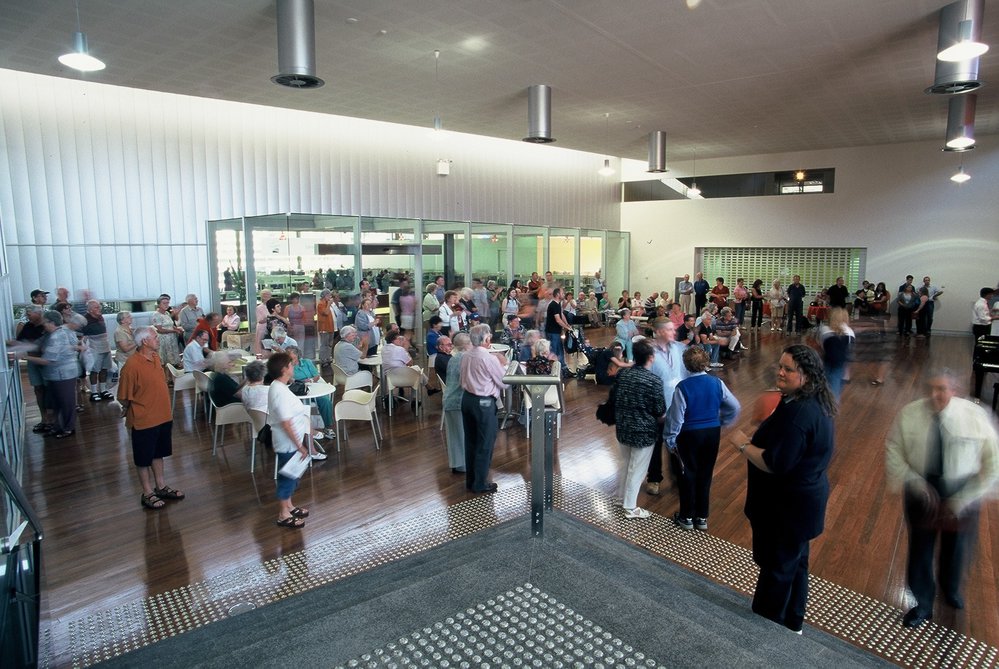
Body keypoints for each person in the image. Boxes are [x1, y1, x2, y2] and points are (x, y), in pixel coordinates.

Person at [732, 344, 836, 633]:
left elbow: (774, 463)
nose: (780, 372)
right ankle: (793, 622)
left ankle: (766, 631)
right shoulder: (809, 402)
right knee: (796, 565)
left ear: (807, 376)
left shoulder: (800, 413)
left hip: (787, 510)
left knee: (777, 572)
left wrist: (741, 443)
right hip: (800, 505)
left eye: (788, 369)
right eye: (780, 366)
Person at [885, 368, 999, 629]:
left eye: (942, 389)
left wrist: (963, 499)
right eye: (931, 389)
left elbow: (993, 462)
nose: (935, 395)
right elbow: (893, 447)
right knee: (921, 548)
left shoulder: (975, 416)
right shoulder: (910, 414)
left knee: (956, 547)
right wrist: (912, 480)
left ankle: (951, 589)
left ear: (954, 391)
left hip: (962, 490)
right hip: (922, 489)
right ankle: (923, 602)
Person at [664, 346, 740, 531]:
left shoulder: (683, 387)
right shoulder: (717, 383)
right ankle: (702, 517)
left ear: (685, 365)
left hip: (689, 434)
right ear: (706, 363)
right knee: (705, 473)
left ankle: (686, 516)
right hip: (712, 432)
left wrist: (670, 439)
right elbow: (734, 407)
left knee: (687, 474)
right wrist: (722, 421)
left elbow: (676, 417)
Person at [117, 327, 186, 510]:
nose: (158, 339)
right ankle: (147, 492)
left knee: (158, 453)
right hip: (144, 419)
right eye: (155, 337)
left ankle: (161, 486)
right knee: (143, 457)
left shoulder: (155, 357)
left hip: (163, 416)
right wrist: (128, 407)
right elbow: (123, 396)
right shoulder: (131, 366)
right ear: (145, 342)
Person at [612, 339, 667, 520]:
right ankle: (630, 507)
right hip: (643, 431)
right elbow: (659, 410)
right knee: (638, 469)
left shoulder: (623, 375)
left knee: (627, 464)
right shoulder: (654, 381)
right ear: (650, 358)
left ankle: (621, 498)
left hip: (623, 427)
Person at [459, 324, 509, 494]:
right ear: (486, 339)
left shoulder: (466, 355)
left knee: (471, 441)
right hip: (483, 403)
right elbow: (504, 382)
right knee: (485, 443)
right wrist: (503, 364)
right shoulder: (489, 358)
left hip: (467, 399)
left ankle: (471, 480)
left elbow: (462, 379)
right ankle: (480, 483)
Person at [266, 352, 311, 528]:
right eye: (291, 365)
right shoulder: (279, 391)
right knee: (287, 477)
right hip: (288, 443)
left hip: (291, 441)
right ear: (285, 369)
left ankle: (289, 506)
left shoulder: (280, 387)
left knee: (292, 475)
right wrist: (299, 446)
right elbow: (286, 422)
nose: (293, 367)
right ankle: (283, 514)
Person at [644, 318, 688, 497]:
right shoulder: (649, 352)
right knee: (656, 444)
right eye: (670, 329)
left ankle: (679, 475)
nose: (674, 332)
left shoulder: (679, 348)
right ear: (660, 331)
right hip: (657, 407)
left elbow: (686, 372)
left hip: (678, 405)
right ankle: (654, 478)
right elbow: (646, 380)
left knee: (677, 443)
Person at [25, 311, 81, 439]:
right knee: (56, 403)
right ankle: (58, 426)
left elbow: (48, 360)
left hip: (63, 374)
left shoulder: (57, 336)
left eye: (45, 322)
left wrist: (25, 357)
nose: (43, 325)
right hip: (56, 375)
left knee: (66, 403)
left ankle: (68, 428)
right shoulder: (55, 333)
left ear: (52, 322)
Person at [288, 345, 335, 444]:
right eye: (288, 357)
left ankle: (327, 427)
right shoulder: (287, 366)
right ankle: (304, 430)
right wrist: (300, 382)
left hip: (313, 388)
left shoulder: (307, 362)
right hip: (297, 392)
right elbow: (290, 380)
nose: (290, 360)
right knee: (300, 406)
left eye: (292, 358)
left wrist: (311, 380)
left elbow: (317, 376)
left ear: (298, 356)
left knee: (325, 401)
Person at [442, 333, 470, 474]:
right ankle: (463, 464)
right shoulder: (464, 358)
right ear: (466, 345)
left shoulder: (453, 359)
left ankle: (456, 463)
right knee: (461, 434)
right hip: (458, 400)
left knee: (454, 435)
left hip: (449, 399)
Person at [817, 307, 854, 401]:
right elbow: (849, 347)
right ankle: (832, 405)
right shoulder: (849, 332)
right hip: (840, 361)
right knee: (836, 382)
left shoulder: (824, 330)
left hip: (826, 359)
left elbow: (821, 344)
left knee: (824, 380)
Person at [81, 299, 114, 401]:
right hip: (94, 347)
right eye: (96, 307)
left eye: (99, 306)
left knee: (104, 369)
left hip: (105, 346)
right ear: (90, 310)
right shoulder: (85, 319)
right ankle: (94, 392)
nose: (99, 308)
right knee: (95, 370)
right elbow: (83, 336)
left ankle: (103, 390)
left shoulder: (100, 317)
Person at [544, 287, 572, 375]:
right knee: (555, 351)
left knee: (560, 350)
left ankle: (563, 369)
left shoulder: (558, 304)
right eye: (562, 293)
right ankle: (555, 371)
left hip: (556, 331)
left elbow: (561, 314)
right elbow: (558, 319)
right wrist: (567, 328)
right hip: (552, 332)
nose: (564, 294)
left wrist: (567, 324)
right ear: (557, 294)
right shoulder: (553, 305)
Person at [151, 295, 183, 367]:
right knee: (165, 360)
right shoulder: (156, 315)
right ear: (159, 304)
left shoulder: (167, 313)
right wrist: (174, 331)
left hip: (171, 339)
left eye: (167, 303)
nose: (166, 305)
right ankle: (165, 376)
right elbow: (160, 330)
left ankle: (171, 375)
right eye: (164, 303)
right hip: (163, 340)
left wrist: (176, 329)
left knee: (172, 360)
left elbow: (170, 325)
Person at [316, 289, 337, 367]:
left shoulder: (330, 303)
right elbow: (326, 312)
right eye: (328, 295)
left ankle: (328, 358)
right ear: (324, 296)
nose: (330, 297)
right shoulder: (321, 304)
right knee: (324, 344)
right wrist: (329, 304)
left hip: (331, 327)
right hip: (324, 328)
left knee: (329, 344)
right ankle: (323, 359)